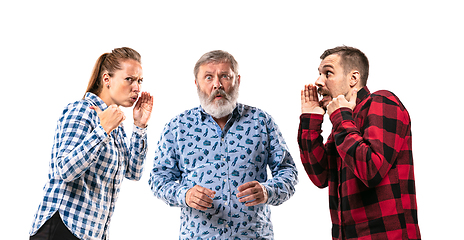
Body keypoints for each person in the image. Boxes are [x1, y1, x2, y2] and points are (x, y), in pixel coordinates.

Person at [149, 50, 298, 239]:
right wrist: (184, 195)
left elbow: (288, 172)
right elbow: (158, 178)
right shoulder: (177, 127)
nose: (217, 84)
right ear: (197, 84)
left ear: (238, 80)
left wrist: (267, 191)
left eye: (225, 76)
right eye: (208, 77)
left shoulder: (261, 121)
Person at [29, 47, 153, 240]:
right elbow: (65, 170)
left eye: (139, 81)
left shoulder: (116, 124)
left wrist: (140, 126)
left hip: (91, 234)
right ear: (106, 79)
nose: (137, 88)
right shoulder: (82, 111)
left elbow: (134, 172)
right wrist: (102, 131)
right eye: (129, 79)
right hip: (62, 228)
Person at [298, 46, 421, 239]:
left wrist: (340, 118)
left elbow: (371, 170)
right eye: (319, 74)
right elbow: (320, 176)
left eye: (327, 73)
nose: (318, 82)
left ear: (353, 79)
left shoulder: (381, 102)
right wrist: (310, 121)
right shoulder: (344, 123)